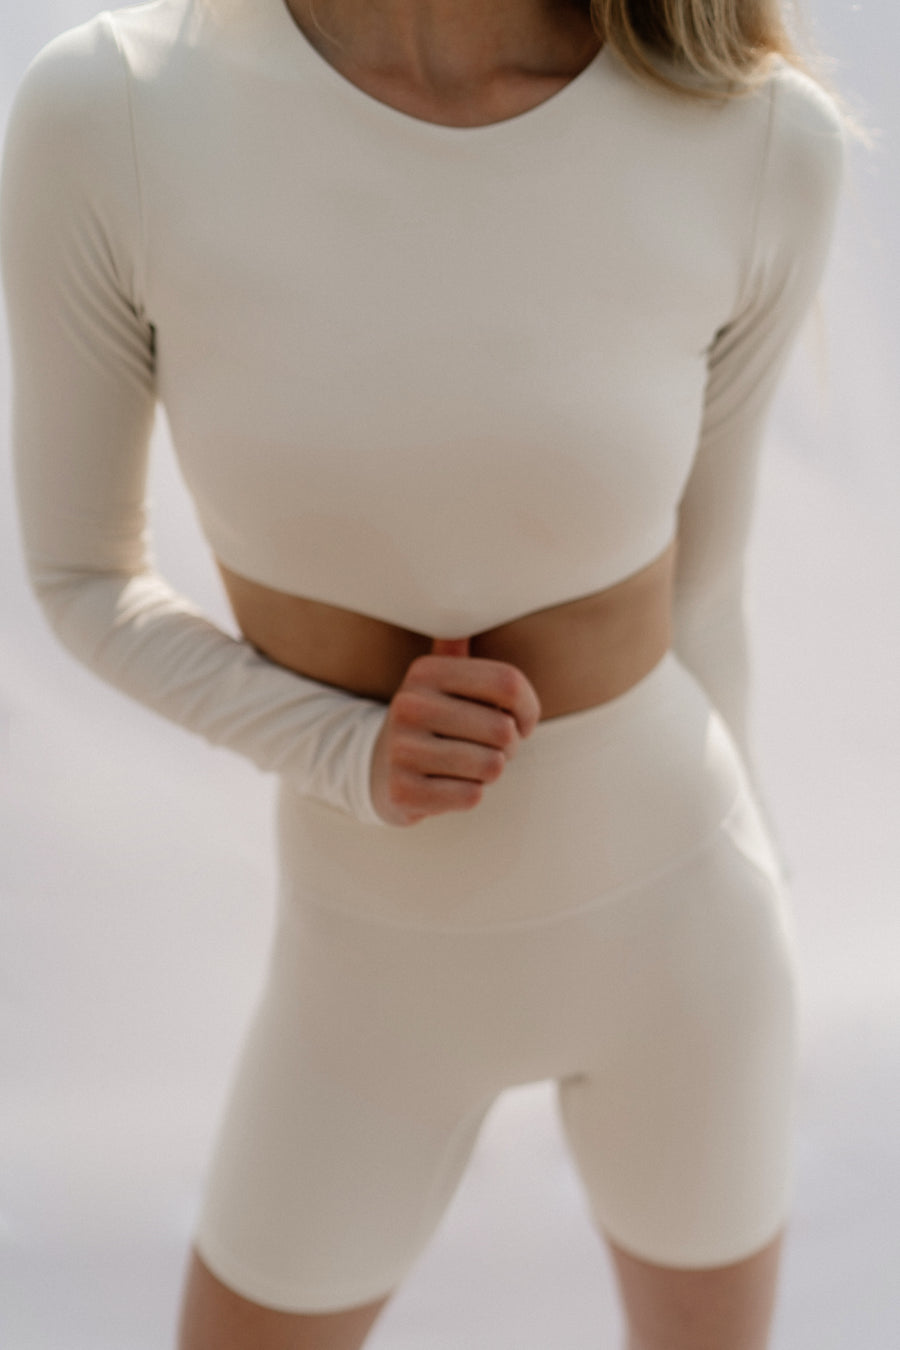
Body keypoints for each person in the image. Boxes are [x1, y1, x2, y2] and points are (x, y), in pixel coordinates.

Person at [0, 0, 851, 1346]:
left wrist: (775, 902)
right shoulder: (112, 114)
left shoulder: (752, 135)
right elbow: (79, 579)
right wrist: (343, 748)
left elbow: (705, 591)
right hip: (363, 980)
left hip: (689, 933)